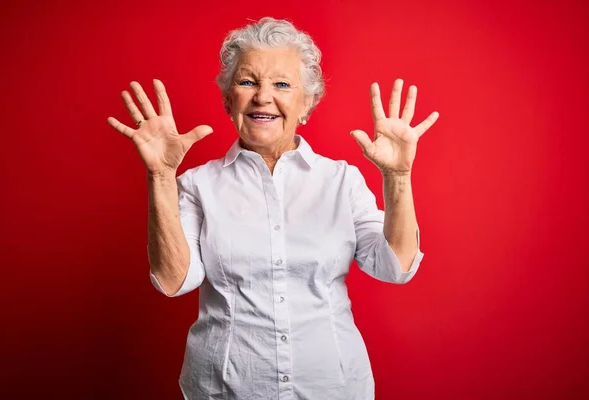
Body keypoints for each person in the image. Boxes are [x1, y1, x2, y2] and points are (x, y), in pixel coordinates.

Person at [107, 17, 438, 400]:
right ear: (229, 99)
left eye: (282, 84)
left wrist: (398, 176)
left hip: (333, 387)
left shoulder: (341, 181)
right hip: (225, 390)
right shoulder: (198, 185)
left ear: (307, 102)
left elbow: (394, 267)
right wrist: (162, 176)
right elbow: (174, 281)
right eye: (248, 82)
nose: (263, 97)